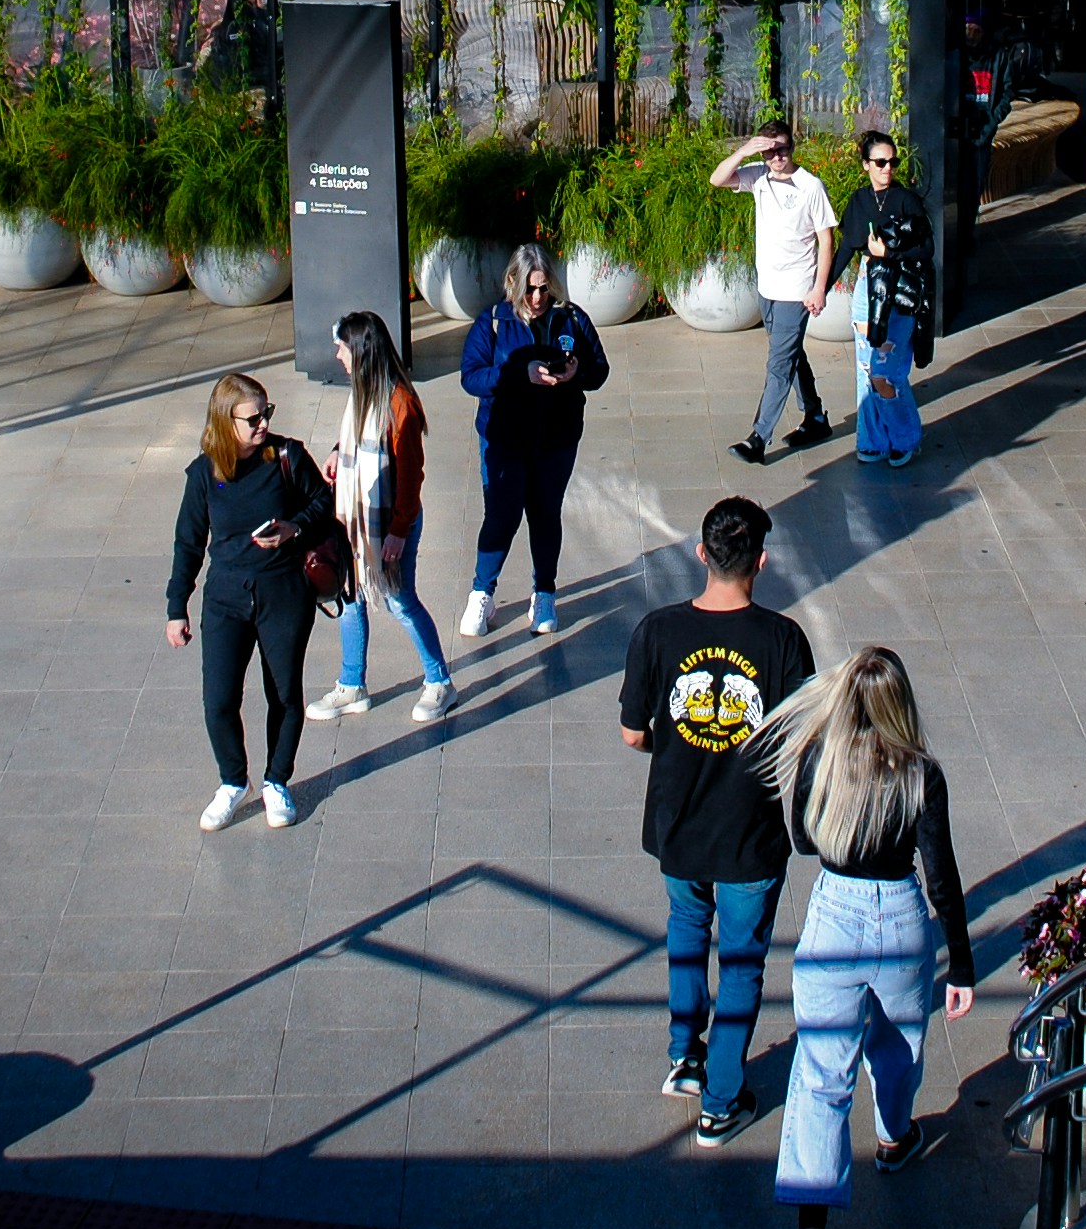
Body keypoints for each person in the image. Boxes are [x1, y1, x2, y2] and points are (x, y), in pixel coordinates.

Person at [749, 646, 978, 1229]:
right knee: (900, 1043)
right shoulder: (923, 773)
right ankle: (893, 1136)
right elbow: (943, 875)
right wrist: (961, 965)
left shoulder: (822, 757)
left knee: (822, 1069)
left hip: (834, 913)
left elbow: (799, 840)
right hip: (903, 916)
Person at [622, 495, 817, 1145]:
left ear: (702, 555)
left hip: (678, 824)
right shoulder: (783, 641)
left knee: (685, 934)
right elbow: (799, 741)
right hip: (750, 834)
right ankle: (722, 1101)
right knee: (741, 962)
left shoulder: (657, 631)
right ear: (761, 561)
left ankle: (685, 1055)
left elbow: (631, 734)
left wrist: (673, 744)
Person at [164, 371, 337, 830]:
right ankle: (232, 780)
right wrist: (176, 606)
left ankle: (276, 781)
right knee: (218, 699)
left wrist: (293, 528)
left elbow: (323, 502)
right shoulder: (204, 474)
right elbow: (188, 542)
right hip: (226, 599)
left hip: (283, 593)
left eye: (267, 414)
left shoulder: (286, 456)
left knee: (282, 693)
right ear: (225, 423)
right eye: (253, 418)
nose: (264, 424)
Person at [459, 244, 609, 639]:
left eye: (544, 288)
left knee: (545, 515)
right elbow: (471, 376)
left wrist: (575, 373)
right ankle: (482, 592)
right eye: (530, 289)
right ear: (513, 284)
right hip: (504, 440)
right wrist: (514, 375)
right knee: (501, 517)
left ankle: (544, 593)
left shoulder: (571, 319)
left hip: (555, 440)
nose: (538, 298)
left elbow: (599, 369)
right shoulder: (493, 322)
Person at [314, 311, 454, 725]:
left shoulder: (400, 406)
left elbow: (411, 478)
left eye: (343, 347)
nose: (338, 355)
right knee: (350, 596)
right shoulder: (364, 392)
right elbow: (355, 435)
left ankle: (440, 682)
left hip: (393, 525)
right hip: (356, 523)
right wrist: (338, 451)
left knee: (399, 599)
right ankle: (352, 684)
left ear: (361, 352)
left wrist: (398, 532)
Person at [720, 122, 837, 467]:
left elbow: (826, 239)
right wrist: (744, 151)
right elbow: (718, 179)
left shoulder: (810, 186)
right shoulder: (758, 177)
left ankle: (758, 437)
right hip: (767, 288)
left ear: (793, 147)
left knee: (779, 364)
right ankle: (815, 418)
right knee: (791, 352)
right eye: (769, 150)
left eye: (782, 148)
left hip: (796, 290)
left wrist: (819, 288)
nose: (776, 156)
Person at [832, 131, 934, 468]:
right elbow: (847, 246)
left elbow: (927, 248)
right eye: (880, 162)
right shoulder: (859, 201)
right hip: (868, 284)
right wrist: (822, 287)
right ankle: (872, 441)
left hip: (900, 289)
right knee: (865, 369)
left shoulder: (906, 199)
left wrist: (889, 252)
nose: (887, 168)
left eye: (892, 162)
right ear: (866, 165)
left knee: (885, 372)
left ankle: (906, 437)